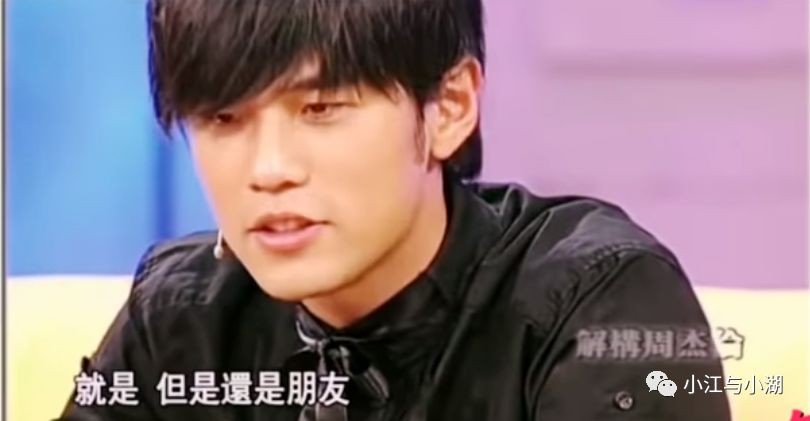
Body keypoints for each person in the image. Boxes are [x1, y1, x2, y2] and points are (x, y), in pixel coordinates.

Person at [60, 0, 732, 419]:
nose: (268, 169)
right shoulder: (178, 317)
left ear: (449, 108)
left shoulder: (596, 299)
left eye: (320, 108)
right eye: (224, 118)